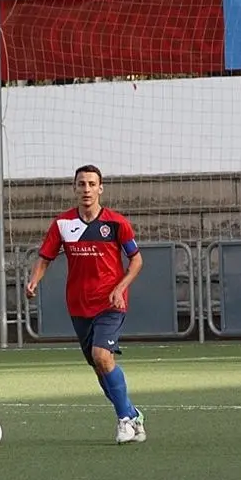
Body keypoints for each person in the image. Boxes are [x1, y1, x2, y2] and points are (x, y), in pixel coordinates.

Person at [25, 164, 145, 444]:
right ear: (74, 188)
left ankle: (124, 420)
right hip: (79, 306)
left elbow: (137, 260)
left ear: (100, 188)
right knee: (99, 366)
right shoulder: (63, 224)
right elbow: (45, 258)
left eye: (92, 184)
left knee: (102, 356)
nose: (87, 189)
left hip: (110, 302)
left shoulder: (116, 223)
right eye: (81, 184)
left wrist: (120, 288)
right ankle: (132, 414)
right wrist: (33, 281)